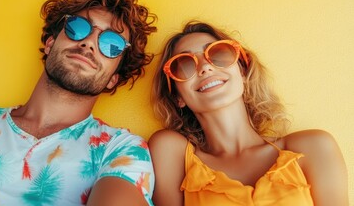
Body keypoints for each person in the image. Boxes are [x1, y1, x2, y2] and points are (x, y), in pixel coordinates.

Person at [0, 0, 157, 205]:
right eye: (78, 27)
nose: (89, 43)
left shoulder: (120, 150)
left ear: (113, 79)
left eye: (111, 44)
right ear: (50, 43)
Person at [149, 21, 348, 205]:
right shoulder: (172, 152)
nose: (205, 67)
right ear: (177, 97)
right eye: (184, 65)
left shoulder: (313, 147)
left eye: (218, 54)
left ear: (242, 72)